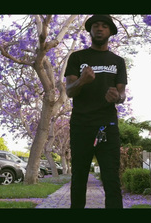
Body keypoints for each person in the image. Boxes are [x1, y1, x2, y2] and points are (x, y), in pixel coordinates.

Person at [64, 14, 127, 209]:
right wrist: (82, 80)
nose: (100, 29)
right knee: (79, 178)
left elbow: (123, 94)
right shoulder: (77, 57)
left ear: (110, 32)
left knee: (111, 179)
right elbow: (69, 91)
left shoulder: (118, 61)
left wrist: (117, 96)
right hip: (81, 125)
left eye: (104, 26)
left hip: (107, 125)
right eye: (96, 26)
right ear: (90, 30)